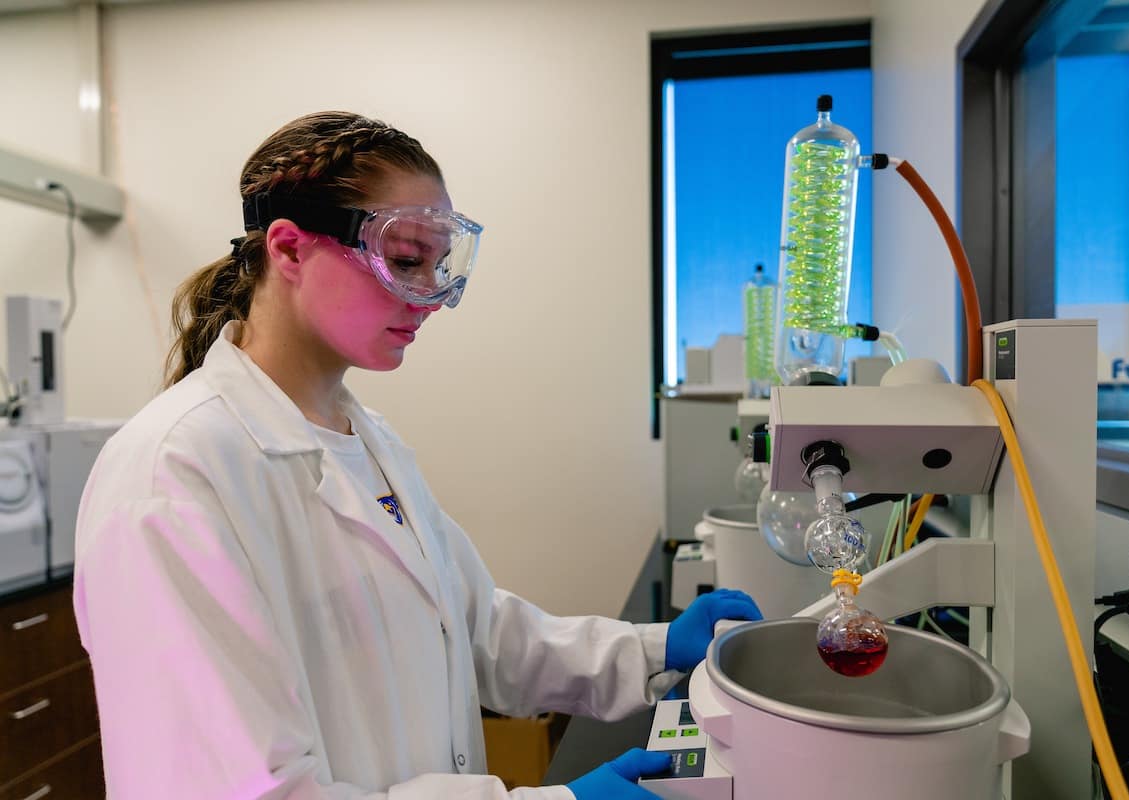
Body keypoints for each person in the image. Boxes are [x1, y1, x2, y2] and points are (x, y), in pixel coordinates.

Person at [72, 111, 763, 799]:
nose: (431, 296)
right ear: (287, 249)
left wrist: (654, 648)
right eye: (404, 261)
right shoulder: (174, 476)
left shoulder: (365, 438)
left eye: (440, 264)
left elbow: (474, 631)